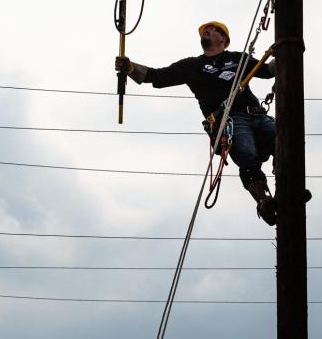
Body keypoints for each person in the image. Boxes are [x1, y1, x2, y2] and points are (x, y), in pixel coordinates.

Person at [116, 20, 278, 225]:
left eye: (213, 30)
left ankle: (289, 189)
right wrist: (130, 68)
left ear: (224, 40)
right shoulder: (192, 66)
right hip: (231, 119)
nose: (207, 31)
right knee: (247, 156)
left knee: (283, 139)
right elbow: (157, 77)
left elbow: (267, 71)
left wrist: (286, 48)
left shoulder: (239, 59)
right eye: (205, 30)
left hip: (257, 114)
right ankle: (264, 201)